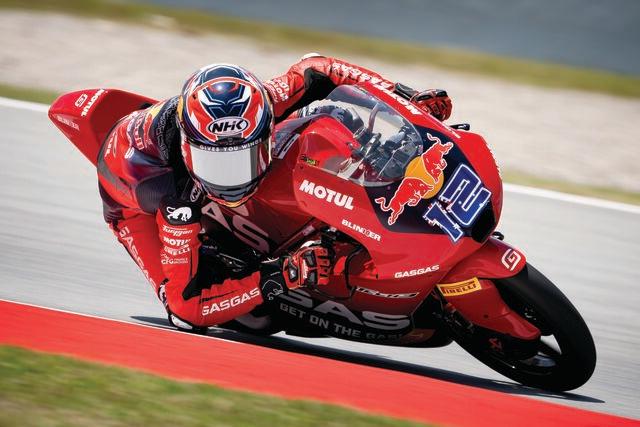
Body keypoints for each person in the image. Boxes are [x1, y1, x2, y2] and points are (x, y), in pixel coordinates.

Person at [97, 53, 452, 333]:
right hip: (132, 202)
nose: (230, 179)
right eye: (216, 163)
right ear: (190, 150)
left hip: (197, 143)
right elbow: (186, 309)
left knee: (328, 119)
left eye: (243, 158)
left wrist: (406, 99)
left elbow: (320, 67)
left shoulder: (263, 102)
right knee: (187, 308)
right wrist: (283, 274)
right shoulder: (174, 197)